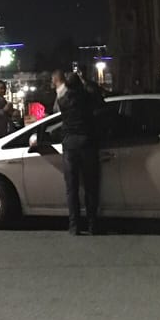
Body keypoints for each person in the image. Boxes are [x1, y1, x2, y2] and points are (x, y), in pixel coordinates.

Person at [58, 72, 101, 236]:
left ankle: (74, 226)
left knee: (71, 188)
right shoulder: (87, 98)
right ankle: (92, 225)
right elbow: (98, 100)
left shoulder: (62, 101)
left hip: (69, 145)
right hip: (87, 143)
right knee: (91, 187)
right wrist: (85, 82)